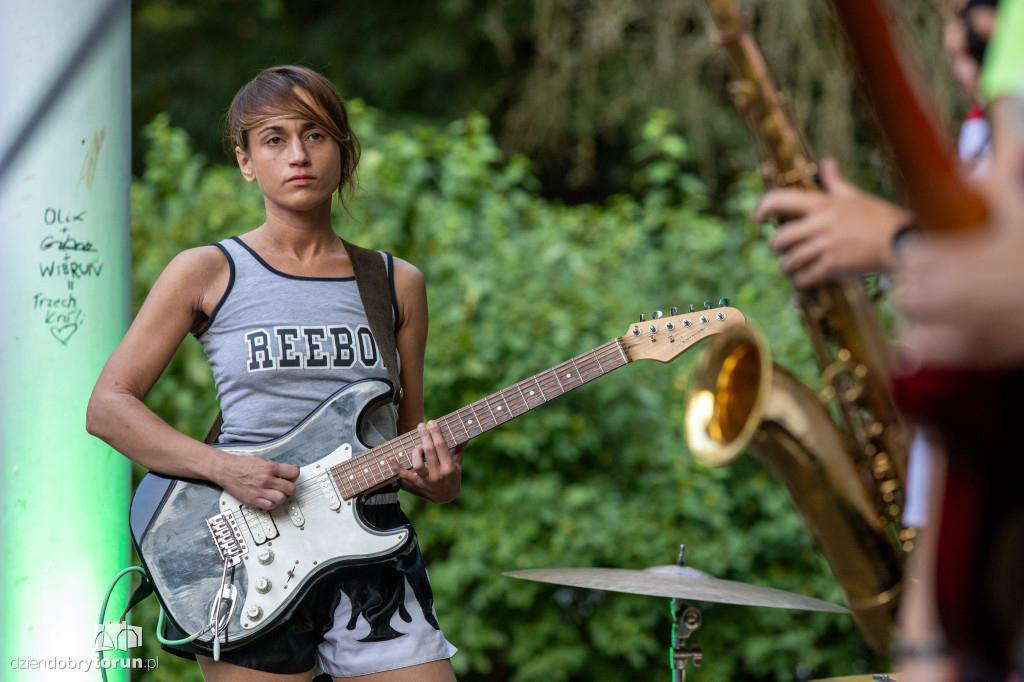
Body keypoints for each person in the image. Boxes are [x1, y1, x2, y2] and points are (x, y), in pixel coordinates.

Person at [86, 65, 463, 681]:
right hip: (250, 552)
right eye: (274, 139)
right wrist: (220, 466)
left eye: (316, 135)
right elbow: (108, 406)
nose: (299, 155)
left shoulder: (396, 284)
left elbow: (410, 442)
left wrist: (440, 480)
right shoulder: (206, 271)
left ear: (343, 150)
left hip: (373, 557)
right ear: (245, 160)